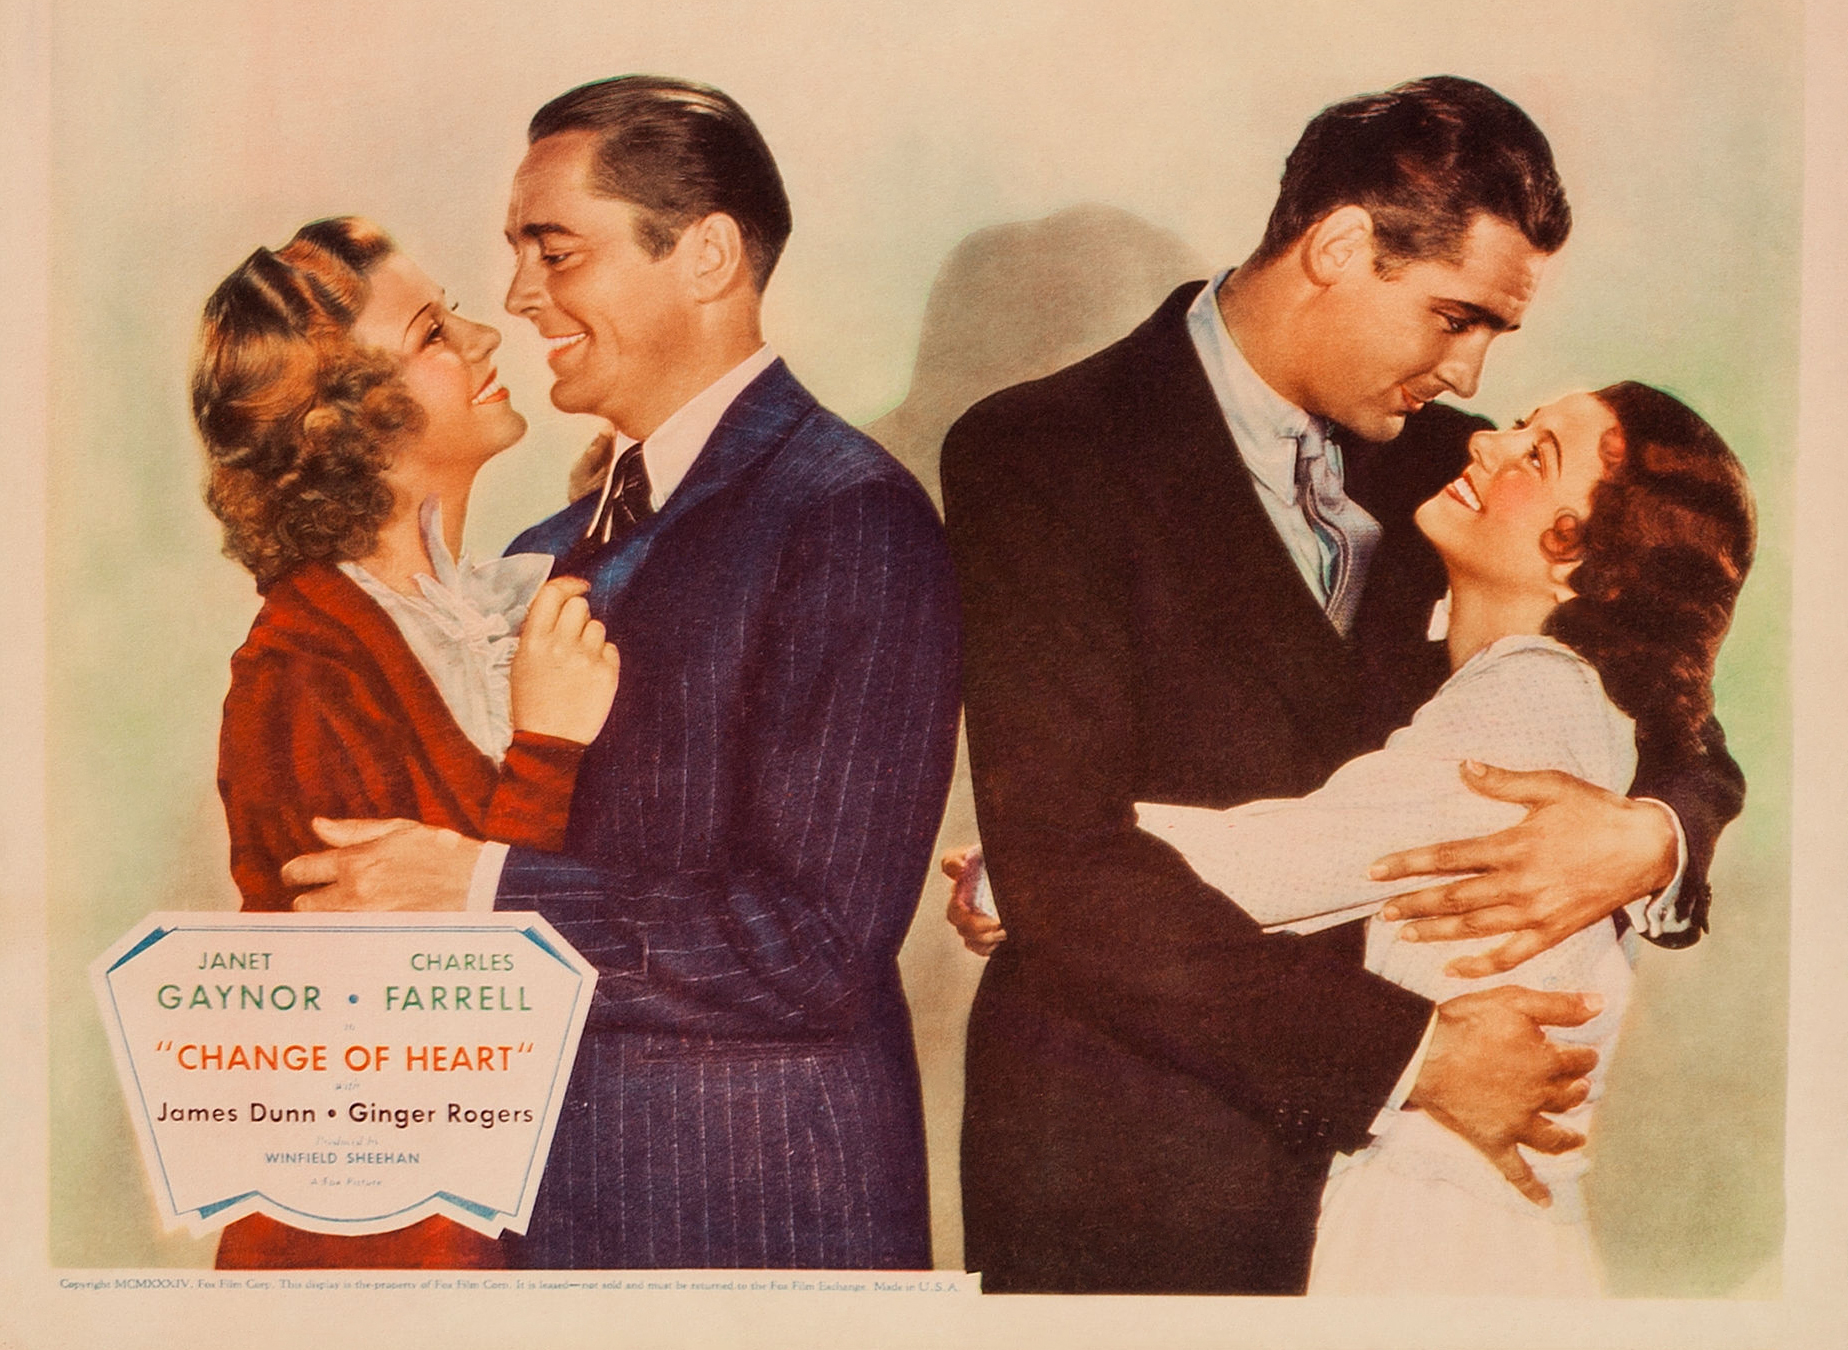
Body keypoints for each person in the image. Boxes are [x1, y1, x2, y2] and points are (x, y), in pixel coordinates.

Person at [940, 76, 1746, 1294]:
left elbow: (1676, 710)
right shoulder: (1041, 450)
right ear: (1339, 246)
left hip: (1384, 1206)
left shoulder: (1461, 476)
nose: (1469, 374)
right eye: (1455, 317)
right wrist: (1411, 1055)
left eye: (1494, 335)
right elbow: (1063, 850)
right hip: (1129, 1156)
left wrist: (1651, 840)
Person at [278, 76, 964, 1270]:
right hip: (549, 1235)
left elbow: (813, 951)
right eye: (517, 253)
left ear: (707, 256)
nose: (516, 294)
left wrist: (482, 888)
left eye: (555, 252)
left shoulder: (849, 514)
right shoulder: (547, 546)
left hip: (756, 1233)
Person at [1130, 384, 1753, 1292]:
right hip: (1446, 1205)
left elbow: (1290, 860)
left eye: (1535, 454)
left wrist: (1032, 862)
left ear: (1587, 561)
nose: (1484, 441)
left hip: (1432, 1230)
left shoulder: (1535, 694)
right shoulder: (1551, 686)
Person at [190, 216, 620, 1268]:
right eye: (433, 332)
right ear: (344, 422)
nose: (485, 338)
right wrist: (549, 749)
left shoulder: (479, 604)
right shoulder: (303, 670)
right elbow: (449, 1007)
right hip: (378, 1249)